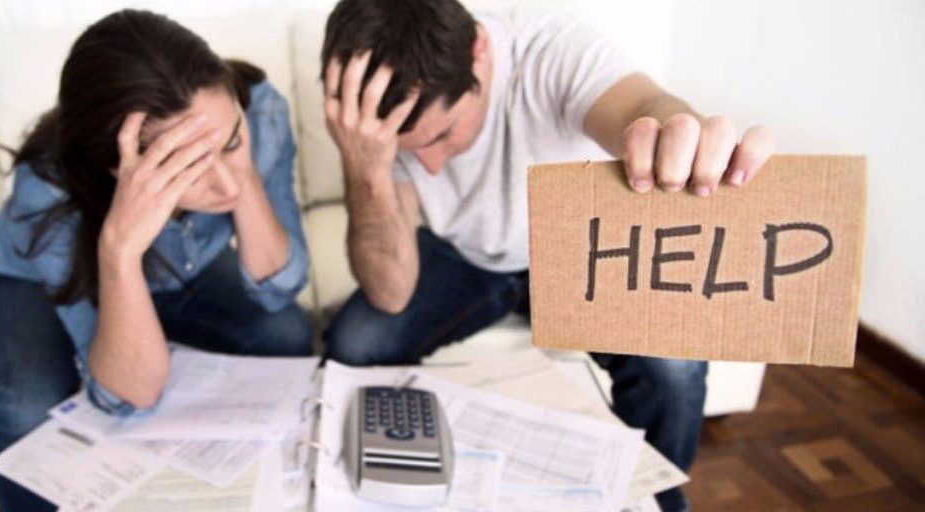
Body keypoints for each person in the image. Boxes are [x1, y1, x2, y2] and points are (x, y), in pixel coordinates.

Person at [318, 1, 774, 510]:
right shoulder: (374, 122)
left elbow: (640, 106)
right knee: (355, 341)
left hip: (575, 247)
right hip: (464, 254)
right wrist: (367, 167)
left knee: (672, 363)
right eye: (406, 151)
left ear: (480, 53)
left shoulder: (549, 47)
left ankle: (657, 500)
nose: (428, 165)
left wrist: (674, 132)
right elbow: (391, 291)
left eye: (444, 134)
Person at [0, 10, 311, 511]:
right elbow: (126, 394)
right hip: (30, 279)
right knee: (25, 416)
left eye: (231, 142)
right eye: (187, 168)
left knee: (287, 335)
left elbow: (279, 285)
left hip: (177, 266)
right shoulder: (48, 188)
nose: (225, 187)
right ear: (118, 166)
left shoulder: (260, 113)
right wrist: (121, 249)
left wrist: (241, 160)